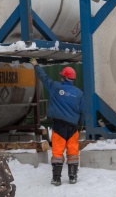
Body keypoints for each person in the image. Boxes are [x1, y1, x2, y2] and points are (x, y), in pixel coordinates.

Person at [29, 58, 85, 186]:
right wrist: (80, 125)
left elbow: (44, 77)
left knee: (57, 152)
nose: (60, 78)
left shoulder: (55, 87)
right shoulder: (79, 93)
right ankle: (72, 177)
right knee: (73, 152)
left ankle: (56, 178)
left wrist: (36, 65)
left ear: (64, 78)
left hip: (59, 126)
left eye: (61, 76)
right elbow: (82, 111)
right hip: (73, 128)